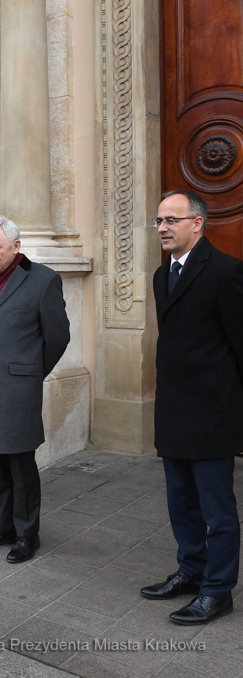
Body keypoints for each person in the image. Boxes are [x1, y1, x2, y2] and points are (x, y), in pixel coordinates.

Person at [140, 189, 243, 625]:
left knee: (217, 510)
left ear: (196, 223)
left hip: (212, 414)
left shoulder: (227, 272)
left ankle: (218, 590)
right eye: (159, 221)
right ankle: (191, 570)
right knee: (181, 503)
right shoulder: (162, 276)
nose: (162, 227)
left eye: (171, 220)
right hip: (174, 410)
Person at [0, 216, 69, 563]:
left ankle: (26, 534)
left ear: (16, 247)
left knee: (20, 468)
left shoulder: (42, 280)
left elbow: (57, 337)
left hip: (16, 390)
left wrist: (30, 373)